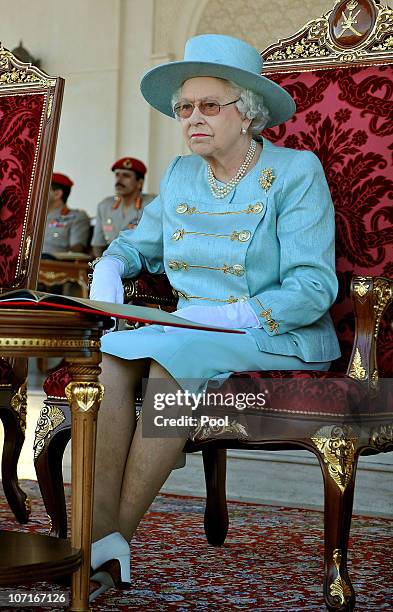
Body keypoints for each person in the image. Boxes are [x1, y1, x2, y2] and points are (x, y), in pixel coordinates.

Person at [88, 33, 341, 598]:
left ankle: (109, 549)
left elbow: (314, 286)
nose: (191, 118)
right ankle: (97, 536)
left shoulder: (296, 172)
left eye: (208, 105)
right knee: (110, 357)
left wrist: (235, 315)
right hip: (190, 331)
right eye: (184, 108)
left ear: (246, 113)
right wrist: (108, 268)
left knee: (170, 355)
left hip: (276, 332)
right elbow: (135, 246)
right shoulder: (180, 175)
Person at [91, 157, 155, 257]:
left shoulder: (151, 204)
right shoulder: (105, 206)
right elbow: (98, 244)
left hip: (141, 263)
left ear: (140, 183)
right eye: (117, 175)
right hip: (110, 263)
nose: (119, 180)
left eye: (126, 176)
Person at [42, 173, 90, 255]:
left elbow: (76, 251)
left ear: (57, 194)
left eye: (42, 189)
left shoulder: (76, 217)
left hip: (54, 265)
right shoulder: (33, 217)